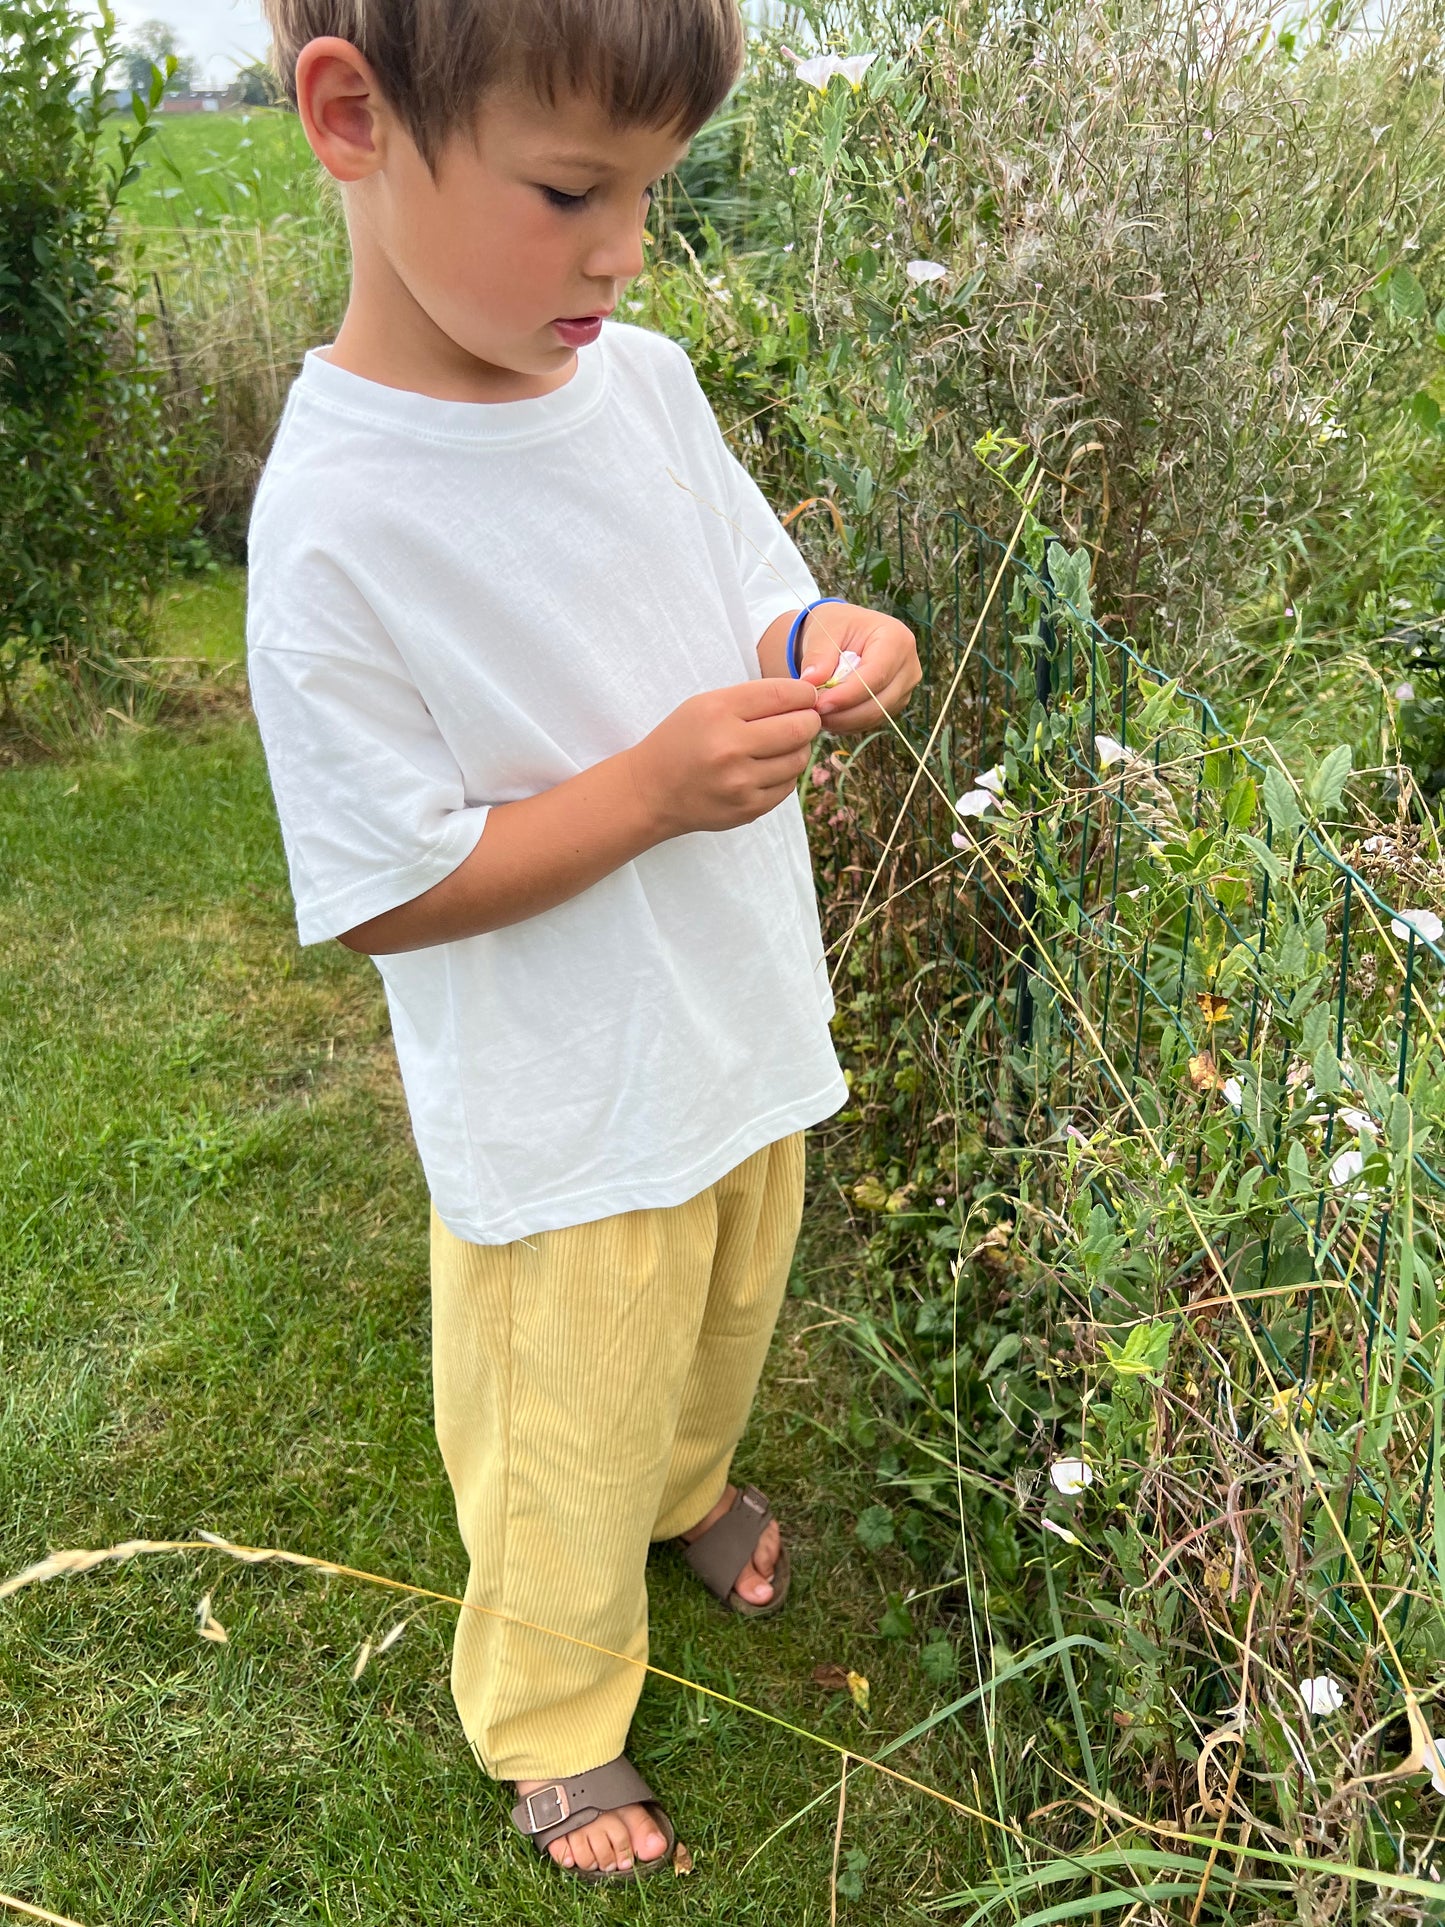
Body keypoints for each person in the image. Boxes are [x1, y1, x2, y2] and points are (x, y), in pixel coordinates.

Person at [248, 0, 921, 1884]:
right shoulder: (339, 520)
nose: (621, 247)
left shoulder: (647, 383)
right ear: (351, 117)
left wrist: (830, 647)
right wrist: (640, 790)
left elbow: (761, 597)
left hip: (731, 1018)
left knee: (720, 1317)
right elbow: (381, 883)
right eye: (569, 189)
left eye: (651, 189)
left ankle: (689, 1486)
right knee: (566, 1413)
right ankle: (549, 1716)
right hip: (566, 1098)